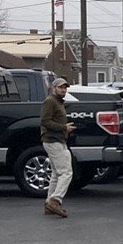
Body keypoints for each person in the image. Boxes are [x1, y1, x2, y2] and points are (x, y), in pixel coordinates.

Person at [40, 79, 75, 217]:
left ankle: (49, 204)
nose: (63, 90)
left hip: (57, 140)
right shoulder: (50, 101)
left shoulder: (58, 102)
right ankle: (55, 200)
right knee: (66, 172)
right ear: (54, 88)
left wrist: (65, 129)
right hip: (53, 140)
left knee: (56, 173)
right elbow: (45, 121)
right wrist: (63, 127)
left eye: (65, 88)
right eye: (61, 88)